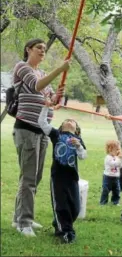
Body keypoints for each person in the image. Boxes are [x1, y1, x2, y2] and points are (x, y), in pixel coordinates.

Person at [12, 38, 70, 237]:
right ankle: (24, 222)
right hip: (26, 129)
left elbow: (50, 100)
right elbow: (36, 86)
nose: (42, 51)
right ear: (28, 49)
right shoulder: (22, 67)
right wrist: (60, 70)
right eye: (39, 48)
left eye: (45, 49)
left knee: (35, 177)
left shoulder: (43, 73)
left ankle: (18, 218)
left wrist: (57, 97)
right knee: (28, 178)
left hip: (42, 130)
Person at [38, 103, 87, 244]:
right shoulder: (56, 134)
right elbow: (42, 123)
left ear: (76, 129)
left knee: (75, 208)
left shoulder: (78, 140)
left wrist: (78, 145)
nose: (70, 121)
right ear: (62, 125)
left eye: (73, 121)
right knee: (61, 205)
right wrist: (46, 106)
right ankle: (65, 232)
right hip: (58, 177)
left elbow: (83, 156)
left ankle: (58, 222)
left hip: (72, 178)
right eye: (67, 120)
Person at [100, 140, 122, 206]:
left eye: (118, 149)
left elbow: (120, 165)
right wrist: (119, 158)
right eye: (116, 149)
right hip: (108, 177)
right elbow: (114, 164)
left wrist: (120, 159)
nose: (118, 151)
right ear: (110, 149)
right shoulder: (108, 158)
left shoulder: (116, 157)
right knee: (106, 190)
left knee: (117, 190)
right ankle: (103, 202)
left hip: (116, 177)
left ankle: (115, 202)